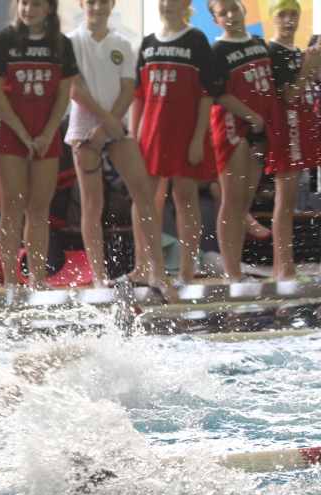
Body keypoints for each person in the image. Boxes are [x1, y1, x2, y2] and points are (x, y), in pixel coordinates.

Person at [67, 0, 169, 294]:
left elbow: (128, 89)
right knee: (92, 204)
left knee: (145, 195)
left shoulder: (123, 44)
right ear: (82, 4)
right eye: (92, 2)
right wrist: (103, 123)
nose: (97, 8)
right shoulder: (71, 42)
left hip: (116, 126)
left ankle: (157, 272)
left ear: (111, 5)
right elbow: (74, 89)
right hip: (86, 127)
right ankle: (99, 277)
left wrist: (111, 124)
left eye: (103, 2)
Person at [0, 0, 78, 290]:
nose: (29, 9)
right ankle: (12, 279)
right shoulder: (3, 41)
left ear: (48, 9)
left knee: (40, 208)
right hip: (11, 130)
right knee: (12, 205)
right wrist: (24, 134)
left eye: (36, 4)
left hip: (44, 132)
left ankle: (37, 279)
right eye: (24, 3)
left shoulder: (61, 44)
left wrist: (48, 133)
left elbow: (64, 93)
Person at [133, 0, 215, 285]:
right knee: (143, 201)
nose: (167, 5)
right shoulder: (147, 43)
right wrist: (134, 136)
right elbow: (139, 96)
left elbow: (207, 95)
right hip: (151, 136)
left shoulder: (196, 40)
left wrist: (197, 139)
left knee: (185, 200)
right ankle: (143, 266)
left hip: (185, 134)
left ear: (186, 4)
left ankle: (186, 270)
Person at [208, 0, 277, 282]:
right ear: (216, 20)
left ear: (243, 10)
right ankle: (232, 272)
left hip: (260, 127)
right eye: (223, 13)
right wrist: (250, 116)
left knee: (245, 201)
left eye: (233, 9)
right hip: (233, 124)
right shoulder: (218, 50)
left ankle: (236, 265)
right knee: (232, 201)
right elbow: (219, 94)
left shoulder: (260, 42)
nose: (230, 16)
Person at [267, 0, 320, 282]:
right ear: (273, 18)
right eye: (283, 14)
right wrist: (308, 67)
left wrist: (312, 66)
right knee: (285, 201)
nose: (289, 20)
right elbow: (288, 96)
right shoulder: (273, 51)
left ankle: (283, 267)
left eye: (294, 15)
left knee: (287, 201)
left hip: (297, 127)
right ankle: (283, 268)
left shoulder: (295, 51)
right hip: (285, 131)